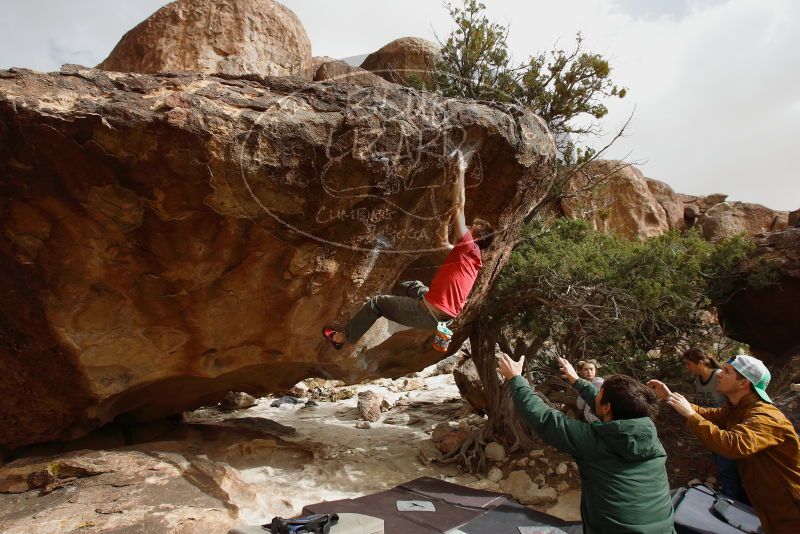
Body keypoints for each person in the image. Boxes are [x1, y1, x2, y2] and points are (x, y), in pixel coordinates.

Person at [323, 154, 493, 349]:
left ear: (476, 237)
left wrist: (460, 171)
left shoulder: (469, 246)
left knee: (376, 303)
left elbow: (459, 207)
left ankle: (341, 339)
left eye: (472, 228)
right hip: (443, 313)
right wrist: (444, 219)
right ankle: (400, 302)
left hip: (429, 312)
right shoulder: (471, 259)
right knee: (412, 286)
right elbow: (443, 242)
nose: (468, 227)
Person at [497, 353, 675, 533]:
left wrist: (516, 379)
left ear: (607, 407)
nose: (596, 395)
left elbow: (545, 419)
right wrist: (575, 380)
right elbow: (606, 407)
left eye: (600, 393)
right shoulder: (650, 436)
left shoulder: (594, 442)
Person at [648, 354, 800, 533]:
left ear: (744, 383)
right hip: (770, 506)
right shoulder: (739, 409)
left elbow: (732, 445)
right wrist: (669, 396)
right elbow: (708, 414)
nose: (719, 373)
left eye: (727, 372)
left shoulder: (766, 417)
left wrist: (691, 415)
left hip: (790, 509)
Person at [682, 347, 746, 501]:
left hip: (724, 430)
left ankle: (733, 501)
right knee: (723, 466)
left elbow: (730, 404)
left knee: (727, 468)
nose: (687, 367)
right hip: (709, 429)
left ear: (700, 362)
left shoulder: (719, 377)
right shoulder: (699, 380)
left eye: (688, 363)